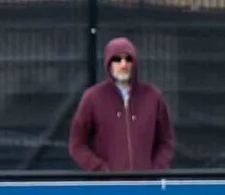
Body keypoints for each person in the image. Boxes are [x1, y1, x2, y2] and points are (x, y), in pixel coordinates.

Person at [69, 37, 174, 172]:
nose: (123, 64)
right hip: (108, 189)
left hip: (146, 188)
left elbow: (166, 142)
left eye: (128, 59)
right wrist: (101, 170)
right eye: (117, 59)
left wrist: (155, 171)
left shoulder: (153, 96)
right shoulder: (93, 98)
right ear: (108, 63)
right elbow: (77, 144)